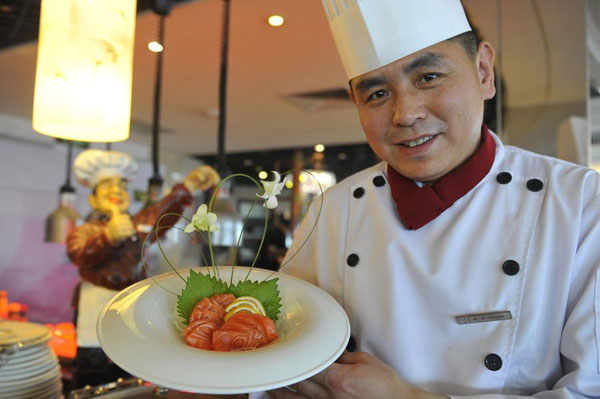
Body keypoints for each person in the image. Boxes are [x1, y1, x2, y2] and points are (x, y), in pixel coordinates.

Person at [266, 1, 600, 398]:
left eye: (427, 76)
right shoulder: (332, 211)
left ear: (483, 71)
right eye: (376, 93)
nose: (404, 114)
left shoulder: (579, 203)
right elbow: (279, 362)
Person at [67, 149, 219, 388]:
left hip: (129, 302)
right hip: (94, 304)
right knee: (92, 366)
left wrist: (187, 188)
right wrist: (107, 237)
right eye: (107, 187)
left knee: (131, 362)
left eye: (122, 187)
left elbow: (161, 215)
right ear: (93, 199)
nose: (116, 191)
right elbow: (78, 254)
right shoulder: (86, 231)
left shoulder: (138, 225)